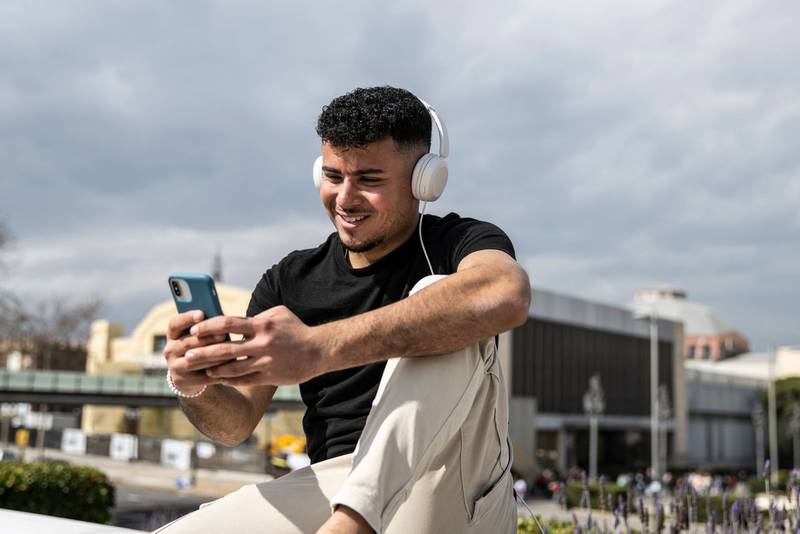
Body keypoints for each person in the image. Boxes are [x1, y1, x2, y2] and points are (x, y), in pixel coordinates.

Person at [156, 86, 531, 534]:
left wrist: (317, 348)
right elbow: (234, 424)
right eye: (333, 177)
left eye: (370, 180)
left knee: (444, 301)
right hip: (335, 485)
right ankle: (353, 517)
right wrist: (193, 383)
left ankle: (355, 521)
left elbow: (506, 293)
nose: (345, 199)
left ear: (423, 182)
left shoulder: (458, 242)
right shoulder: (288, 280)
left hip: (449, 480)